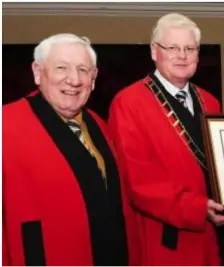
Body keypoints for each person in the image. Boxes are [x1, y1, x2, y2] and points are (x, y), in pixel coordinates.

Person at [107, 13, 224, 265]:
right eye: (173, 48)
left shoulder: (210, 101)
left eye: (189, 48)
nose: (182, 55)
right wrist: (198, 208)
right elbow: (138, 182)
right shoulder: (128, 103)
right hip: (169, 238)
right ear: (154, 51)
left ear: (198, 55)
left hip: (216, 235)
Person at [2, 33, 139, 265]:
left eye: (83, 70)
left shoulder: (99, 125)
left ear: (94, 79)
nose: (74, 80)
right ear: (38, 72)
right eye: (61, 68)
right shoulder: (5, 124)